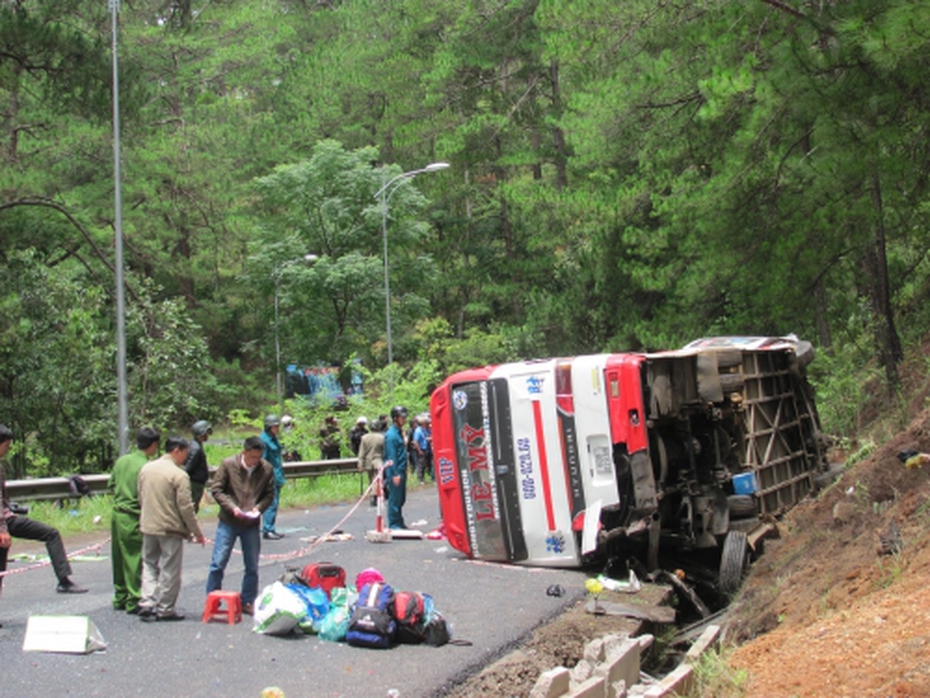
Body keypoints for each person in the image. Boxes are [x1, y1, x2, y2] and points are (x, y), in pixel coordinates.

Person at [0, 424, 88, 601]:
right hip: (4, 523)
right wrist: (2, 529)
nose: (7, 451)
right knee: (50, 534)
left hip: (7, 518)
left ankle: (64, 580)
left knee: (50, 534)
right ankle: (64, 580)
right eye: (6, 446)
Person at [137, 436, 205, 621]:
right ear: (177, 450)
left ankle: (147, 601)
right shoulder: (179, 475)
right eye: (185, 453)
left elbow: (140, 495)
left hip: (148, 525)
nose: (186, 457)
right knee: (170, 569)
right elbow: (185, 507)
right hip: (170, 528)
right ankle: (165, 608)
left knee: (149, 564)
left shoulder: (147, 468)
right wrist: (196, 532)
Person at [206, 436, 275, 615]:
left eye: (258, 457)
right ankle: (212, 599)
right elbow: (216, 489)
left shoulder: (266, 469)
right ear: (244, 452)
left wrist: (258, 509)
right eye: (252, 457)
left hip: (251, 523)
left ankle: (248, 601)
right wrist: (232, 508)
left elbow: (269, 494)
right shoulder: (228, 464)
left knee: (252, 565)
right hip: (229, 521)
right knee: (218, 562)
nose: (255, 461)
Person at [108, 426, 160, 614]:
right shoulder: (147, 466)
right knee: (135, 558)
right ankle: (135, 598)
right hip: (133, 514)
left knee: (119, 556)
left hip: (117, 514)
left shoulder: (122, 461)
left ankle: (120, 595)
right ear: (153, 445)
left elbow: (111, 484)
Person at [383, 406, 409, 530]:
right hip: (395, 470)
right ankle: (394, 523)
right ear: (395, 418)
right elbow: (391, 456)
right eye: (402, 417)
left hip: (401, 469)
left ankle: (399, 521)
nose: (404, 419)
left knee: (401, 497)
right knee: (395, 497)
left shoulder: (399, 432)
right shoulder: (391, 435)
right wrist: (395, 474)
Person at [260, 414, 285, 540]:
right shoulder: (264, 440)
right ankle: (267, 529)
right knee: (270, 503)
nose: (277, 428)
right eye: (275, 426)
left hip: (277, 474)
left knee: (274, 503)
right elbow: (262, 461)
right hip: (269, 476)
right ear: (269, 427)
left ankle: (271, 527)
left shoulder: (273, 438)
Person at [184, 420, 212, 513]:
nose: (208, 435)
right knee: (193, 508)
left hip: (197, 483)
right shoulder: (196, 449)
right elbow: (188, 467)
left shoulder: (194, 445)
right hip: (195, 484)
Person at [357, 418, 385, 507]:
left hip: (368, 462)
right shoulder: (382, 437)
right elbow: (385, 451)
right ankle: (374, 496)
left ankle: (373, 495)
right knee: (377, 479)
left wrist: (360, 464)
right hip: (378, 461)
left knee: (371, 480)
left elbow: (361, 452)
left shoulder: (364, 438)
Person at [413, 414, 433, 483]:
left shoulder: (427, 430)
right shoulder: (418, 431)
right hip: (422, 449)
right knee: (421, 465)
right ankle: (421, 479)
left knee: (429, 463)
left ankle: (430, 477)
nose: (428, 424)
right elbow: (415, 441)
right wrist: (419, 450)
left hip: (428, 448)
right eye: (426, 423)